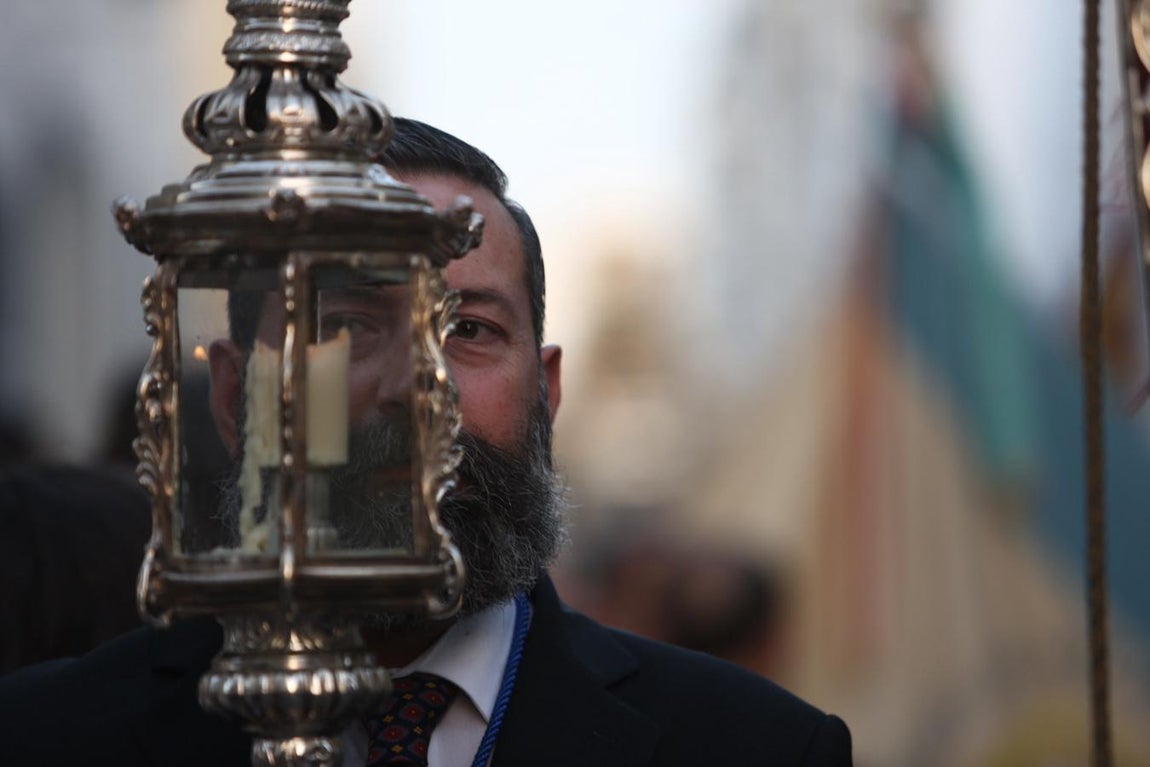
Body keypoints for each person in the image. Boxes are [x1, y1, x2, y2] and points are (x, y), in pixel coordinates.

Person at [0, 119, 852, 766]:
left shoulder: (754, 747)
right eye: (344, 324)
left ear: (547, 390)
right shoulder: (49, 737)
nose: (415, 388)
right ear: (232, 395)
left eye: (468, 329)